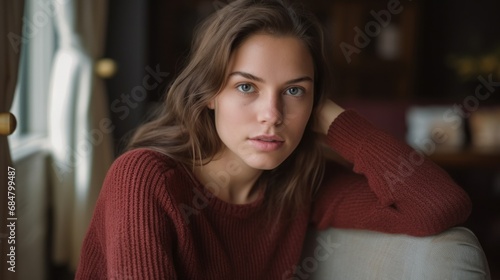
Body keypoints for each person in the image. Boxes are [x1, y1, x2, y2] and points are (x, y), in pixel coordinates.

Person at [76, 0, 471, 279]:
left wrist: (335, 119)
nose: (273, 114)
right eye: (247, 87)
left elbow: (439, 206)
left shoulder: (301, 186)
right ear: (210, 93)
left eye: (295, 91)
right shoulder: (145, 179)